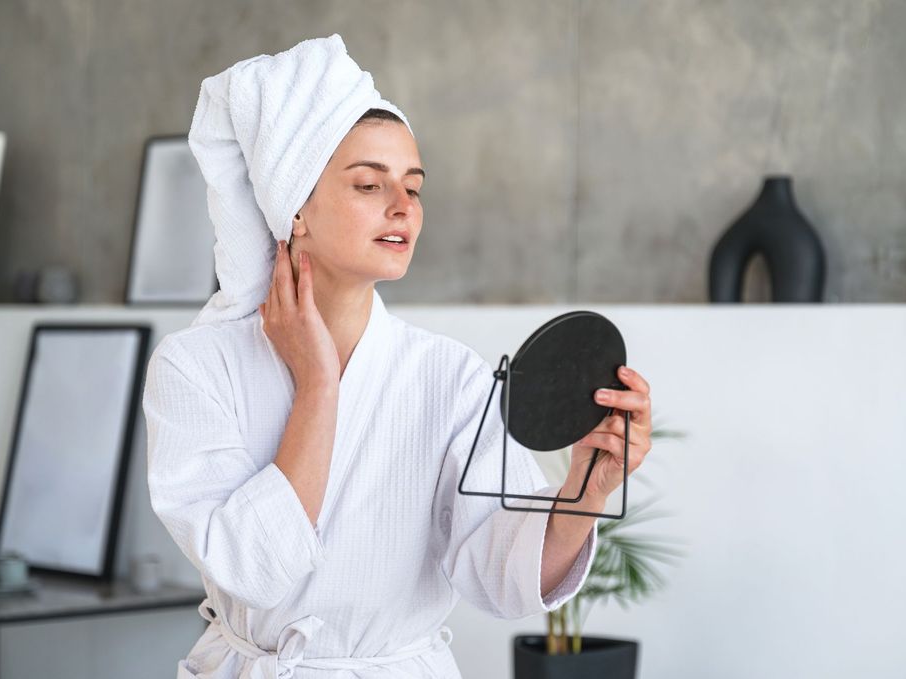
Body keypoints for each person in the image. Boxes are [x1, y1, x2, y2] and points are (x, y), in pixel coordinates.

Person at [143, 36, 653, 679]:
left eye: (413, 187)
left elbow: (503, 580)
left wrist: (588, 487)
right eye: (368, 184)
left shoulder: (450, 376)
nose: (402, 207)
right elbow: (255, 569)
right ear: (295, 207)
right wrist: (318, 386)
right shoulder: (195, 367)